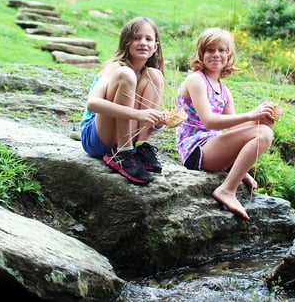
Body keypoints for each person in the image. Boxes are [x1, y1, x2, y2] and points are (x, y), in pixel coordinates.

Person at [176, 28, 279, 220]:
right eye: (210, 50)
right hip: (196, 150)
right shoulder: (195, 80)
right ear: (201, 53)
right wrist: (250, 115)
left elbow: (233, 129)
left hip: (213, 145)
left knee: (265, 122)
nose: (216, 55)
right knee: (263, 133)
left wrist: (261, 115)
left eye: (221, 50)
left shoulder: (224, 90)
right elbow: (210, 121)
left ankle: (237, 170)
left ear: (228, 55)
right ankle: (227, 189)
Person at [80, 16, 169, 186]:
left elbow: (145, 120)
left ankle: (141, 147)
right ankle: (123, 153)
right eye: (136, 38)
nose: (143, 42)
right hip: (97, 137)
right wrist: (138, 114)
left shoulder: (148, 75)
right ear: (126, 42)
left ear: (155, 46)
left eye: (148, 39)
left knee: (155, 75)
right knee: (127, 74)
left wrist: (159, 122)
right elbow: (93, 103)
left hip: (128, 137)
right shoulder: (116, 67)